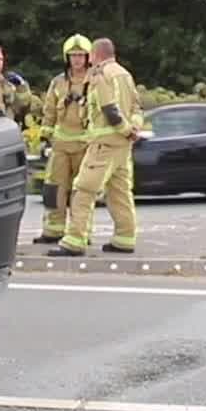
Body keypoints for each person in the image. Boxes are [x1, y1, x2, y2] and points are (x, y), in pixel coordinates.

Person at [50, 37, 142, 256]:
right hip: (122, 148)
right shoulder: (125, 74)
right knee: (120, 193)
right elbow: (136, 107)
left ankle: (74, 241)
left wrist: (125, 130)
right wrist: (134, 129)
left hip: (104, 145)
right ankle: (124, 239)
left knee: (83, 190)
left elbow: (109, 109)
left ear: (95, 55)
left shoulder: (101, 75)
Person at [31, 34, 94, 245]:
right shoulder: (58, 83)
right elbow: (49, 111)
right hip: (60, 146)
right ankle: (53, 230)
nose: (77, 59)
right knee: (54, 189)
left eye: (81, 55)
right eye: (73, 55)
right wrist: (44, 137)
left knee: (81, 192)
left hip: (85, 145)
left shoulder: (95, 81)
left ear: (88, 57)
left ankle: (81, 233)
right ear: (67, 57)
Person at [0, 44, 36, 125]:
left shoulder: (8, 83)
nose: (0, 63)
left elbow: (20, 108)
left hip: (7, 128)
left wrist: (21, 87)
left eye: (1, 60)